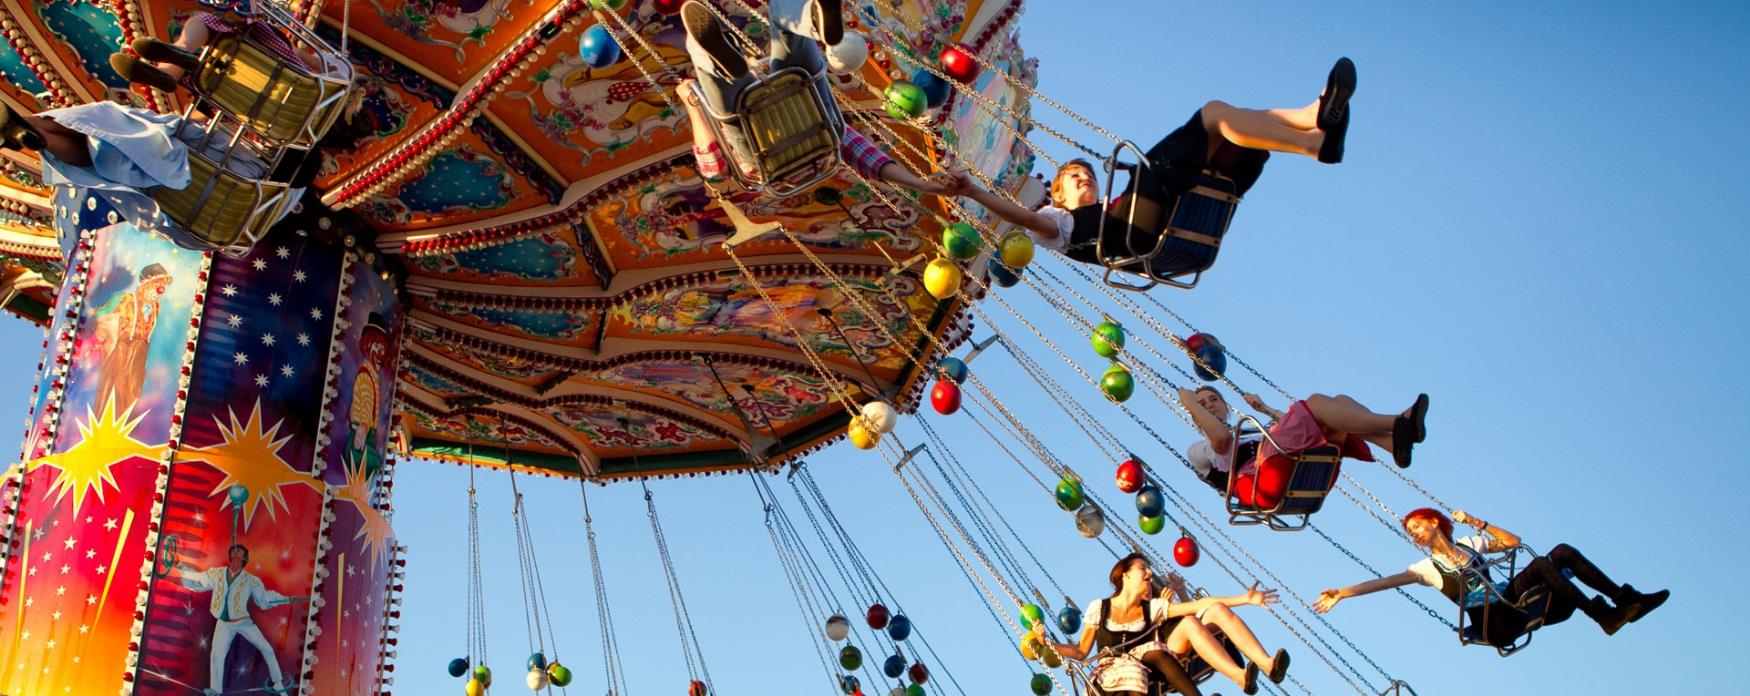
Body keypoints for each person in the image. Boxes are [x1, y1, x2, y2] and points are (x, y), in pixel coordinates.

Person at [960, 58, 1356, 269]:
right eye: (1073, 177)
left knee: (1228, 126)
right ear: (1057, 194)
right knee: (1214, 113)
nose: (1084, 180)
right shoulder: (1057, 225)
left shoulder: (1109, 207)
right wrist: (975, 191)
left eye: (1088, 176)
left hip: (1171, 209)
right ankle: (1313, 140)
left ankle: (1311, 120)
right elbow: (1025, 219)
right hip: (1140, 226)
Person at [677, 0, 952, 196]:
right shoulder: (829, 134)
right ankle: (809, 20)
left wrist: (694, 105)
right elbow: (868, 158)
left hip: (760, 147)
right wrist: (920, 183)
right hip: (808, 118)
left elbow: (713, 169)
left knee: (707, 67)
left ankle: (724, 63)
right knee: (785, 27)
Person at [1313, 508, 1669, 648]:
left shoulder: (1470, 543)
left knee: (1559, 553)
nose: (1414, 534)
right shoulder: (1425, 569)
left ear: (1435, 522)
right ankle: (1601, 615)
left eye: (1417, 526)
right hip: (1492, 621)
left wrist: (1476, 521)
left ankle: (1624, 600)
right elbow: (1386, 582)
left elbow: (1513, 542)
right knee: (1545, 566)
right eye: (1410, 532)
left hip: (1510, 599)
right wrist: (1343, 592)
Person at [1039, 552, 1289, 695]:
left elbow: (1199, 606)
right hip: (1131, 666)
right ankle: (1239, 675)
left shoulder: (1154, 608)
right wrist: (1049, 644)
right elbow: (1081, 651)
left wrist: (1244, 599)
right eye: (1142, 568)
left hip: (1162, 658)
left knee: (1210, 612)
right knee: (1179, 632)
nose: (1149, 573)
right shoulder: (1100, 608)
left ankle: (1262, 668)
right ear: (1125, 574)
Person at [1179, 386, 1427, 510]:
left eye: (1214, 400)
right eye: (1202, 405)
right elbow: (1221, 439)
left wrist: (1265, 409)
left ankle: (1393, 442)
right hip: (1265, 484)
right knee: (1318, 403)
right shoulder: (1198, 450)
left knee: (1341, 404)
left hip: (1300, 469)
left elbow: (1287, 428)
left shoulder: (1249, 433)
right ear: (1195, 417)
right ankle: (1398, 422)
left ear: (1226, 406)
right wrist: (1190, 402)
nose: (1209, 405)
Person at [177, 544, 311, 696]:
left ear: (245, 559)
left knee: (266, 648)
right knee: (216, 656)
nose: (236, 556)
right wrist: (180, 566)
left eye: (240, 554)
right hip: (223, 624)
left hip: (243, 622)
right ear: (230, 556)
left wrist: (285, 600)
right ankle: (215, 691)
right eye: (234, 553)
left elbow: (263, 598)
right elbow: (199, 578)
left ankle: (278, 683)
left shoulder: (251, 581)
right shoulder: (217, 574)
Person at [109, 10, 326, 93]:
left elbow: (301, 55)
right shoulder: (334, 79)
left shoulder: (335, 75)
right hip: (279, 89)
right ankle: (180, 59)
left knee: (202, 22)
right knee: (207, 28)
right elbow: (303, 57)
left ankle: (173, 65)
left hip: (255, 86)